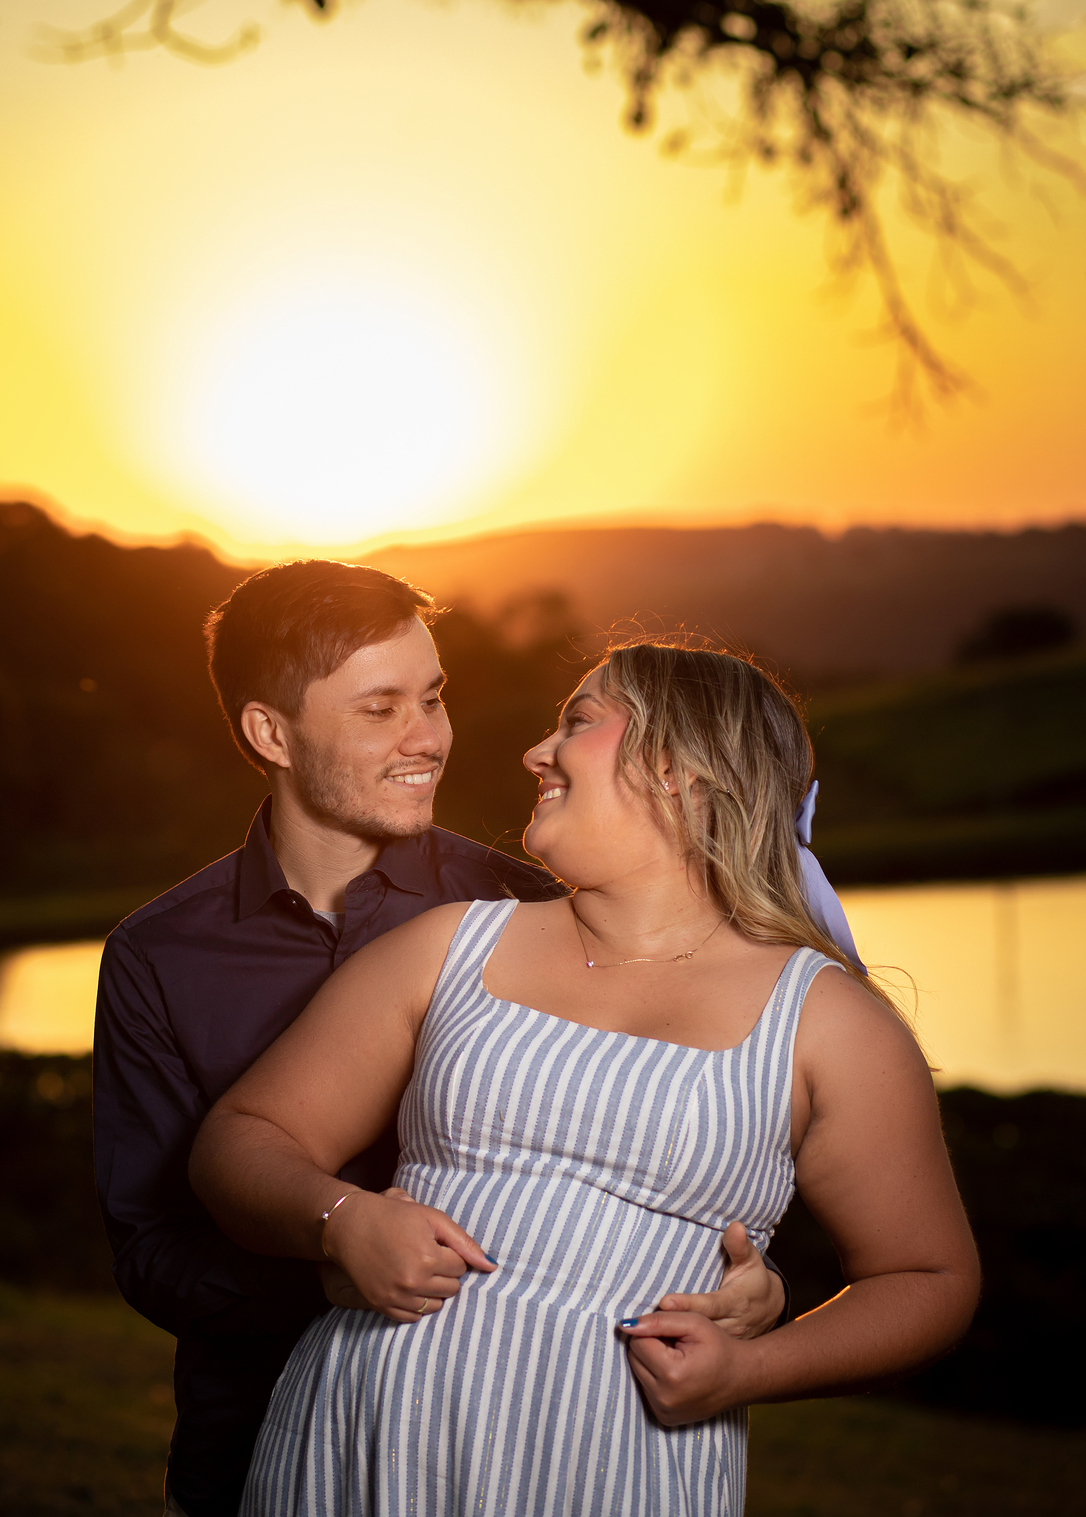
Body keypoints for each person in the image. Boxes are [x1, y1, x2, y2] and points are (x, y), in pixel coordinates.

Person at [190, 644, 980, 1517]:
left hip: (619, 1475)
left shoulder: (829, 1024)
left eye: (578, 722)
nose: (537, 753)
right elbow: (243, 1138)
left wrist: (751, 1368)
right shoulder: (447, 948)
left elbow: (928, 1277)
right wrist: (340, 1219)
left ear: (680, 765)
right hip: (363, 1442)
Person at [92, 568, 787, 1517]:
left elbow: (676, 1125)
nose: (428, 737)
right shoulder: (159, 953)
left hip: (531, 1452)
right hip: (251, 1454)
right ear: (270, 734)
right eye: (381, 709)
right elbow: (150, 1249)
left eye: (433, 697)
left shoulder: (532, 904)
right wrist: (336, 1264)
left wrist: (749, 1281)